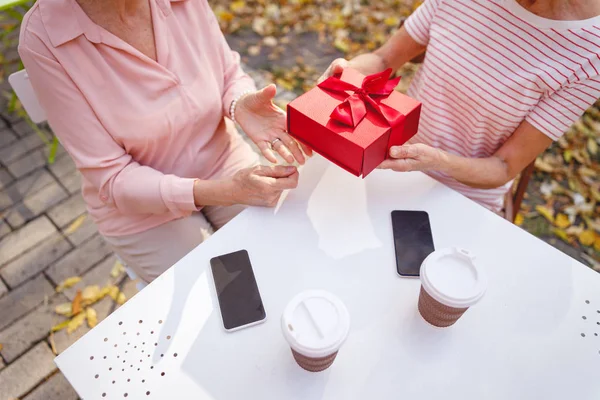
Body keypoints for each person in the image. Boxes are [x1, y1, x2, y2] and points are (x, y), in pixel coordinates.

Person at [18, 0, 310, 282]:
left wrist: (240, 104)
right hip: (141, 211)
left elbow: (227, 72)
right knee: (224, 302)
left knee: (285, 255)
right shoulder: (44, 35)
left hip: (221, 159)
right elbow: (112, 177)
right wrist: (224, 192)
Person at [320, 0, 600, 213]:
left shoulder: (591, 53)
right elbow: (384, 60)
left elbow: (503, 167)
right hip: (387, 166)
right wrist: (348, 72)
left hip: (463, 200)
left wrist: (436, 161)